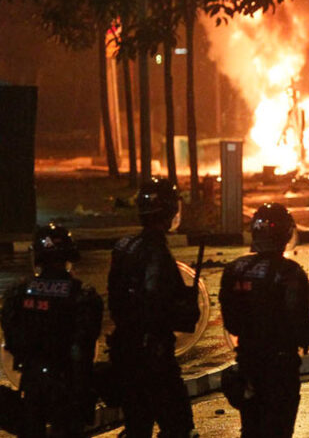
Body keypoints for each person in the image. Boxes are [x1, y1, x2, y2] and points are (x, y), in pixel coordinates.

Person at [107, 178, 200, 438]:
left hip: (125, 351)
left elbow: (115, 300)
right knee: (178, 427)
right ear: (170, 210)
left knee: (137, 425)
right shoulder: (157, 252)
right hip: (154, 356)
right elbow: (156, 304)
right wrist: (186, 307)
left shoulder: (124, 247)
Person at [219, 203, 309, 437]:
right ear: (286, 234)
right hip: (280, 370)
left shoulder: (235, 269)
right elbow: (299, 325)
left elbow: (231, 322)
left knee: (251, 428)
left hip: (247, 364)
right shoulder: (290, 273)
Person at [0, 224, 103, 438]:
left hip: (32, 382)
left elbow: (11, 339)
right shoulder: (82, 295)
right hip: (68, 385)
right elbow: (86, 343)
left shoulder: (18, 293)